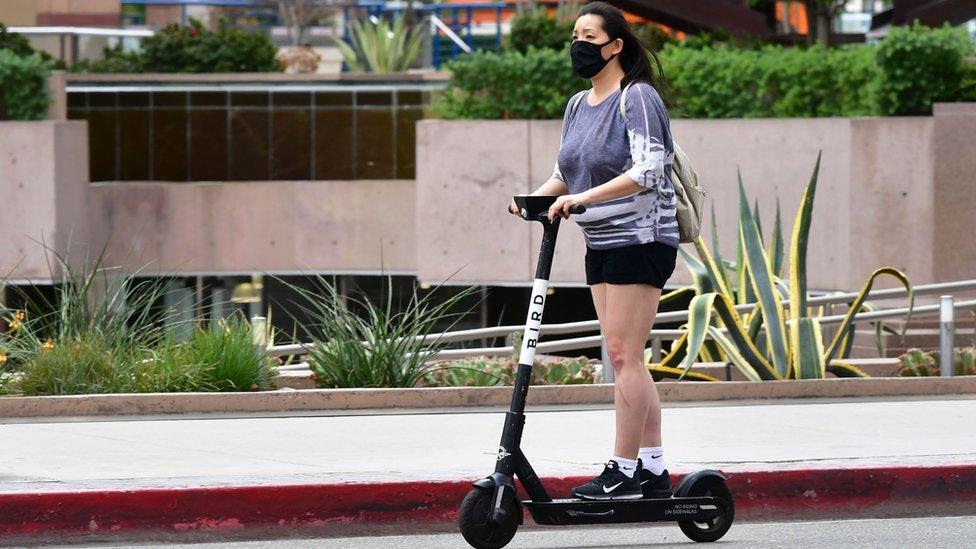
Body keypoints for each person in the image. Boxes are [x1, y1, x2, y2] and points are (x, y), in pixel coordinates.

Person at [508, 1, 678, 501]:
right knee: (627, 357)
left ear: (615, 45)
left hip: (641, 239)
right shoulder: (578, 105)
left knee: (624, 355)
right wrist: (535, 200)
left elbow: (649, 169)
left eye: (589, 36)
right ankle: (652, 468)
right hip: (599, 240)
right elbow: (566, 174)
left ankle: (624, 471)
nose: (578, 45)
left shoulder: (638, 97)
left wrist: (581, 199)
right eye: (575, 37)